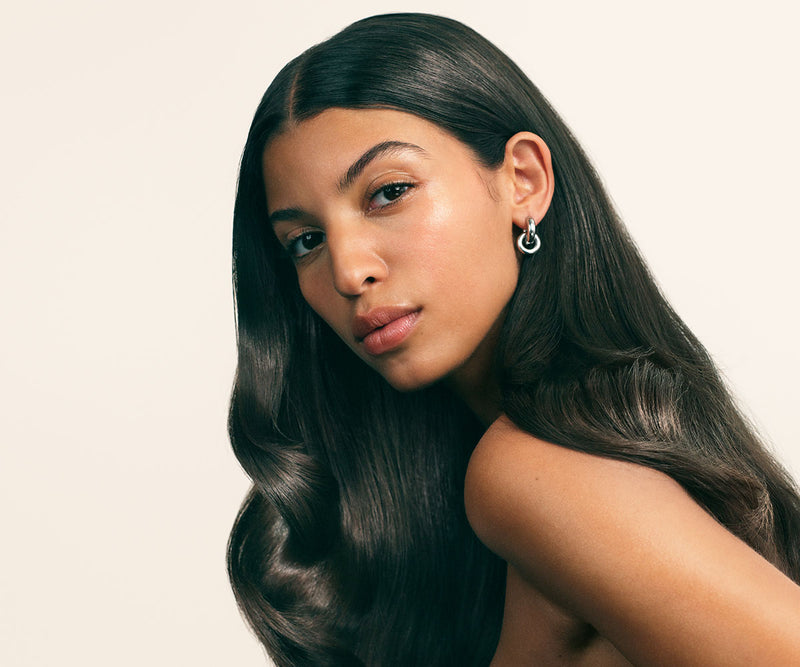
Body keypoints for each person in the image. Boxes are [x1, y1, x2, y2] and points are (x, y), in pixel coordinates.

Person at [227, 13, 800, 666]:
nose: (349, 269)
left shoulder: (538, 471)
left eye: (389, 192)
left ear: (522, 180)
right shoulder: (547, 465)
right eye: (305, 240)